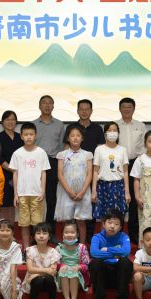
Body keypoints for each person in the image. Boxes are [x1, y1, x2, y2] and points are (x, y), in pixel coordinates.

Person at [63, 99, 104, 239]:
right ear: (77, 111)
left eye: (87, 109)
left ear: (91, 111)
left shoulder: (97, 129)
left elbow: (100, 150)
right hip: (71, 172)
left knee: (87, 206)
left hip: (91, 170)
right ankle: (71, 238)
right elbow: (65, 149)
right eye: (82, 109)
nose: (84, 112)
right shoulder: (71, 127)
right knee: (70, 211)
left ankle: (88, 238)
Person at [9, 122, 50, 247]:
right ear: (21, 136)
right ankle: (26, 249)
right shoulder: (17, 153)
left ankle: (38, 249)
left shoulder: (41, 152)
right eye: (26, 134)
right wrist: (16, 194)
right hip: (22, 194)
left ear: (35, 136)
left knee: (37, 225)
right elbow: (15, 174)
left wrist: (43, 191)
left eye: (31, 134)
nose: (29, 137)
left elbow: (43, 173)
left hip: (37, 194)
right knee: (24, 224)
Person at [90, 209, 133, 299]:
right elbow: (94, 253)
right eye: (109, 222)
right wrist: (116, 254)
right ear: (103, 224)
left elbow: (126, 252)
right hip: (102, 276)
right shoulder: (97, 237)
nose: (112, 226)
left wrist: (107, 249)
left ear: (121, 227)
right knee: (95, 262)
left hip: (119, 276)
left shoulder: (124, 237)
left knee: (126, 262)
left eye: (116, 224)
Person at [115, 97, 147, 244]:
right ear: (120, 108)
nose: (126, 109)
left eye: (129, 107)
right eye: (124, 107)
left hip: (136, 162)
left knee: (135, 199)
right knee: (119, 200)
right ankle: (117, 233)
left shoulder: (140, 125)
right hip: (118, 164)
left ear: (134, 109)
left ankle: (134, 234)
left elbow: (145, 145)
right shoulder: (115, 125)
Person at [55, 126, 94, 243]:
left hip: (83, 192)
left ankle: (81, 246)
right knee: (67, 221)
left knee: (81, 221)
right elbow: (60, 174)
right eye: (72, 136)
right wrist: (70, 192)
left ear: (82, 138)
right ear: (68, 138)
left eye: (78, 135)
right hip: (66, 192)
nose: (75, 138)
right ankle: (67, 245)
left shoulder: (87, 154)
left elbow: (89, 174)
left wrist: (82, 192)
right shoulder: (62, 154)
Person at [92, 121, 130, 225]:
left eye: (115, 130)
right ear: (105, 133)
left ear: (118, 133)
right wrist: (94, 191)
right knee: (104, 217)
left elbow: (125, 171)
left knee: (118, 216)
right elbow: (95, 171)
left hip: (118, 186)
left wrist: (127, 192)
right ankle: (103, 236)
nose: (112, 132)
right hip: (103, 186)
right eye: (109, 130)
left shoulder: (122, 150)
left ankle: (118, 235)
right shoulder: (99, 149)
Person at [33, 95, 64, 226]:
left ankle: (50, 229)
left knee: (51, 198)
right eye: (44, 103)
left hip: (53, 162)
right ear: (39, 106)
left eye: (50, 103)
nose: (47, 105)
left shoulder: (59, 124)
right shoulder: (33, 124)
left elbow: (62, 146)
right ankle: (35, 230)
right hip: (36, 163)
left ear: (53, 106)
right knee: (35, 197)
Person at [23, 223, 61, 299]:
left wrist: (37, 273)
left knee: (49, 279)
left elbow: (52, 271)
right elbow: (30, 269)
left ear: (49, 236)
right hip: (33, 282)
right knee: (39, 280)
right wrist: (46, 270)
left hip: (47, 280)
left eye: (44, 233)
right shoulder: (30, 250)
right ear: (34, 236)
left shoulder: (53, 252)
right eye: (38, 233)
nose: (41, 236)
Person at [0, 110, 23, 222]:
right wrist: (13, 170)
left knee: (14, 203)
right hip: (3, 174)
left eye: (13, 119)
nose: (10, 122)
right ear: (2, 122)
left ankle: (10, 228)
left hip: (20, 174)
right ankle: (1, 228)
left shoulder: (20, 137)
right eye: (7, 119)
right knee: (3, 202)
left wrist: (18, 171)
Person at [57, 222, 90, 299]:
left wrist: (79, 267)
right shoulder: (58, 248)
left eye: (72, 232)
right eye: (66, 232)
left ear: (77, 234)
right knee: (63, 272)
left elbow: (87, 264)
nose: (69, 235)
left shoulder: (82, 247)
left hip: (78, 276)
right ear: (63, 234)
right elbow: (55, 264)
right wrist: (61, 266)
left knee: (73, 272)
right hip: (63, 276)